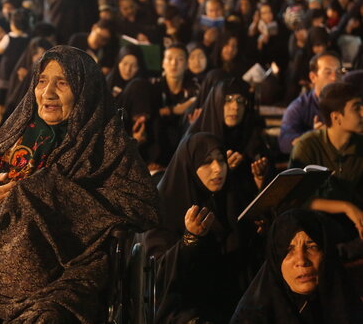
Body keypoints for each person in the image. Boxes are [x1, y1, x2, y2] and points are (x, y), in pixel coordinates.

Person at [0, 46, 158, 322]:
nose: (48, 93)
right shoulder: (18, 133)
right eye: (42, 81)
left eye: (62, 83)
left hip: (62, 276)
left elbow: (144, 205)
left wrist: (49, 193)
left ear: (85, 91)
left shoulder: (106, 145)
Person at [146, 132, 262, 323]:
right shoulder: (165, 207)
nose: (217, 169)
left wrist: (259, 234)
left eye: (221, 160)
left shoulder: (229, 199)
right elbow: (158, 272)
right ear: (189, 166)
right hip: (185, 306)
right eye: (206, 162)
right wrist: (190, 238)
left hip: (230, 301)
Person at [231, 209, 363, 323]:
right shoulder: (253, 317)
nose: (301, 260)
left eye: (312, 247)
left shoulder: (342, 296)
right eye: (288, 250)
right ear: (276, 260)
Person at [290, 82, 363, 240]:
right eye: (357, 108)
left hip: (348, 224)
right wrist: (346, 207)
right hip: (312, 226)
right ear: (336, 117)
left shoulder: (360, 146)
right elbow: (295, 200)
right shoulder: (308, 146)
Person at [188, 78, 270, 191]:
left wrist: (260, 177)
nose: (235, 107)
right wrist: (223, 170)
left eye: (240, 100)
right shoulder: (196, 140)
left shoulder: (252, 138)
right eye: (228, 100)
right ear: (216, 102)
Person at [279, 52, 342, 154]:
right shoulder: (299, 107)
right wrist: (314, 135)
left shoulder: (349, 103)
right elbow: (285, 143)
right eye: (328, 72)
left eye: (338, 72)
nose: (335, 78)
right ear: (313, 77)